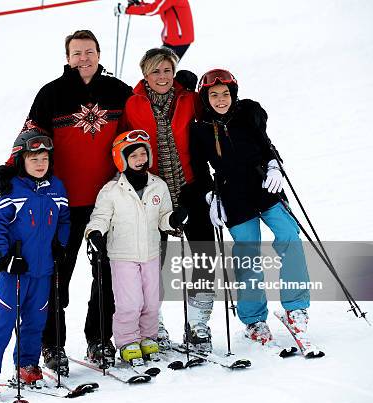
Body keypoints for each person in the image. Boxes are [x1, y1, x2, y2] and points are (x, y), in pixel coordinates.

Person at [0, 30, 134, 373]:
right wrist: (8, 170)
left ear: (99, 54)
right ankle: (52, 344)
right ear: (67, 57)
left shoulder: (117, 91)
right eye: (76, 53)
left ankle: (99, 339)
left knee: (107, 275)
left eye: (89, 52)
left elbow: (137, 131)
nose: (83, 58)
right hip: (62, 204)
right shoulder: (51, 94)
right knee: (57, 276)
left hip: (106, 202)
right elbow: (30, 136)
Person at [189, 68, 311, 345]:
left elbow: (266, 143)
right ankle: (254, 319)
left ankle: (296, 307)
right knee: (248, 252)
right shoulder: (200, 129)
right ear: (205, 99)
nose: (221, 99)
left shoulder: (249, 112)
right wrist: (211, 196)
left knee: (289, 235)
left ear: (234, 94)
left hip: (265, 185)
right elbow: (199, 168)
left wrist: (274, 165)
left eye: (225, 94)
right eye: (214, 95)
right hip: (233, 194)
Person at [121, 47, 215, 353]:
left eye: (167, 70)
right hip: (153, 193)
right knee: (152, 262)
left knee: (203, 255)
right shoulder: (133, 104)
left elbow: (218, 114)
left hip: (191, 186)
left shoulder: (190, 99)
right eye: (155, 71)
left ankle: (199, 322)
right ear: (145, 74)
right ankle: (153, 324)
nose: (162, 77)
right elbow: (124, 145)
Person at [0, 129, 70, 394]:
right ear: (21, 161)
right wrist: (4, 257)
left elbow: (63, 220)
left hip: (43, 271)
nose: (40, 164)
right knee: (3, 321)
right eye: (33, 159)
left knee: (35, 322)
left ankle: (27, 366)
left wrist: (60, 245)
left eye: (44, 159)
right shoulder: (13, 189)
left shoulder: (56, 188)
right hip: (15, 270)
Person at [85, 130, 188, 364]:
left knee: (152, 300)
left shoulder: (158, 186)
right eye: (133, 156)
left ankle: (147, 336)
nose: (140, 159)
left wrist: (172, 219)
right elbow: (100, 217)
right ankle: (128, 340)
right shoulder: (111, 190)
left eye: (143, 154)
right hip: (122, 256)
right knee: (129, 302)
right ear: (121, 159)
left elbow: (163, 217)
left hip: (151, 253)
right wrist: (95, 233)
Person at [116, 0, 194, 60]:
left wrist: (127, 10)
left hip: (179, 40)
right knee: (158, 68)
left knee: (159, 69)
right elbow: (156, 6)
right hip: (173, 39)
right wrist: (138, 4)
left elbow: (153, 9)